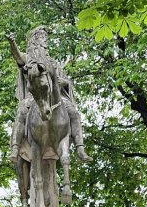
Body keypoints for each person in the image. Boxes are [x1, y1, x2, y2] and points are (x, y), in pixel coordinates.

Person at [8, 26, 89, 163]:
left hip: (56, 97)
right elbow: (18, 57)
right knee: (22, 111)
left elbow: (65, 81)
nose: (44, 42)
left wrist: (62, 82)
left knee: (74, 113)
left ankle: (80, 148)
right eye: (41, 38)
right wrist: (12, 44)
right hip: (34, 96)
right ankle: (15, 148)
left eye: (45, 39)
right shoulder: (29, 60)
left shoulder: (53, 63)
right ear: (34, 41)